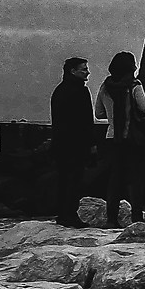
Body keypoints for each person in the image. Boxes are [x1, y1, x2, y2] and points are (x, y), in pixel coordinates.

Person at [93, 51, 145, 227]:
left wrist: (113, 116)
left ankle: (111, 219)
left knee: (114, 178)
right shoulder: (135, 85)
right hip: (132, 138)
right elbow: (144, 108)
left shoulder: (106, 86)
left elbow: (98, 114)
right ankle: (136, 217)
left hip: (112, 138)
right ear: (131, 67)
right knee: (134, 178)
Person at [49, 57, 95, 226]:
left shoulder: (59, 90)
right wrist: (91, 144)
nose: (87, 72)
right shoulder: (81, 91)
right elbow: (86, 121)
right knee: (74, 180)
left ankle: (63, 214)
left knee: (63, 180)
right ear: (73, 71)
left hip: (61, 143)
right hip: (76, 144)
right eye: (83, 69)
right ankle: (70, 215)